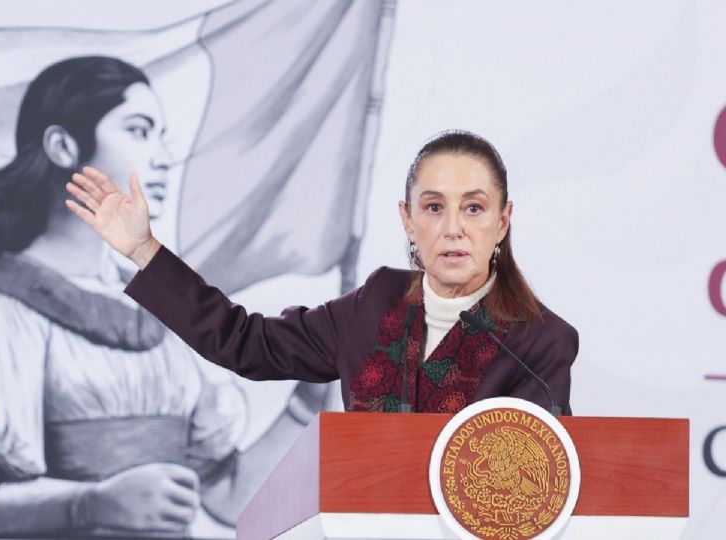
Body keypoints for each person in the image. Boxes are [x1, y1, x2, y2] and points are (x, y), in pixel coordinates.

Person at [0, 56, 326, 538]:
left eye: (160, 134)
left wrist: (310, 401)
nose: (164, 156)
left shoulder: (158, 309)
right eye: (140, 131)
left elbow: (228, 496)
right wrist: (90, 505)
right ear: (63, 146)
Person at [66, 130, 578, 417]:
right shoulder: (375, 303)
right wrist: (143, 249)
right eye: (433, 207)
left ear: (502, 221)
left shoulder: (541, 341)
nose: (452, 229)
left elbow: (535, 490)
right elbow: (244, 343)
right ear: (407, 219)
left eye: (473, 208)